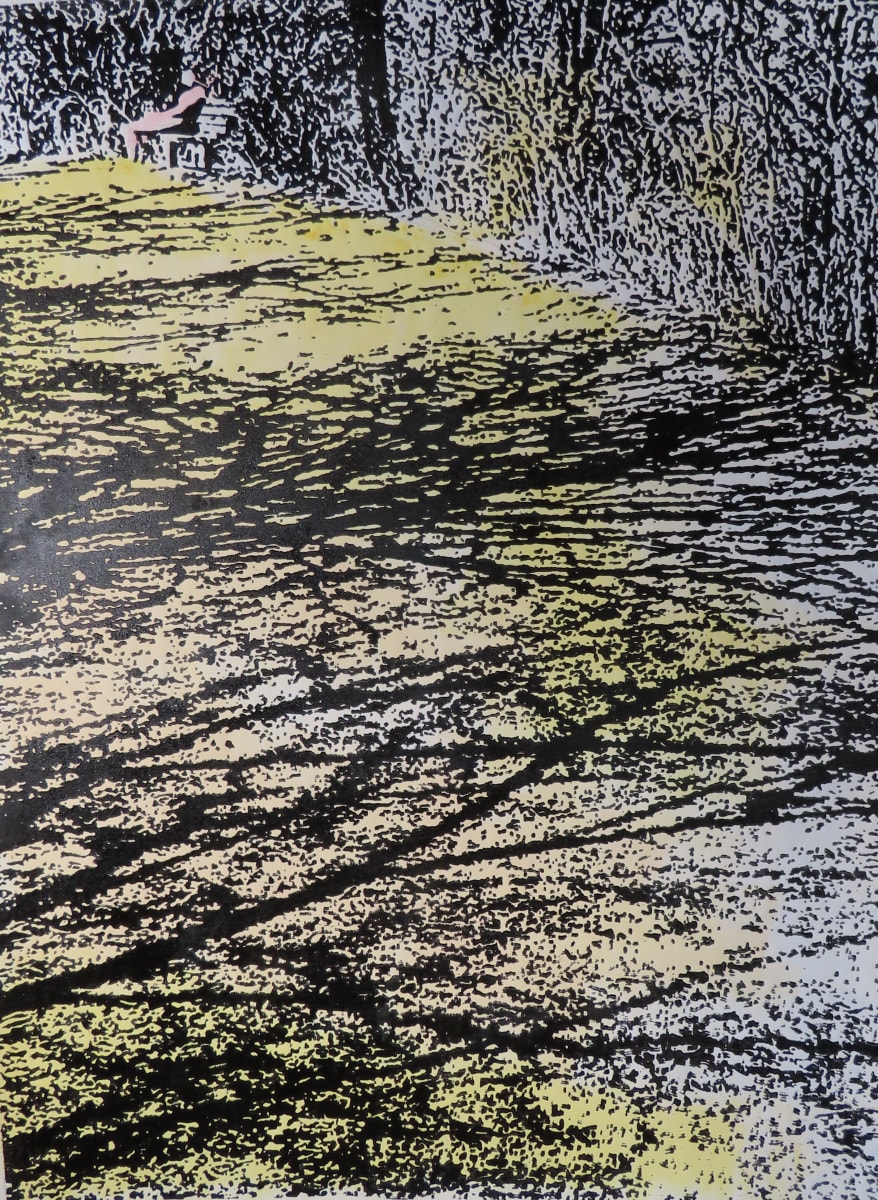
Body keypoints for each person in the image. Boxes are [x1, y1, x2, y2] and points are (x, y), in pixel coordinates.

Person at [122, 67, 210, 160]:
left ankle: (131, 158)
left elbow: (178, 110)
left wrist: (160, 116)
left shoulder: (196, 91)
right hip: (178, 121)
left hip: (182, 123)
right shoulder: (191, 90)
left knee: (132, 127)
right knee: (135, 127)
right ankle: (132, 156)